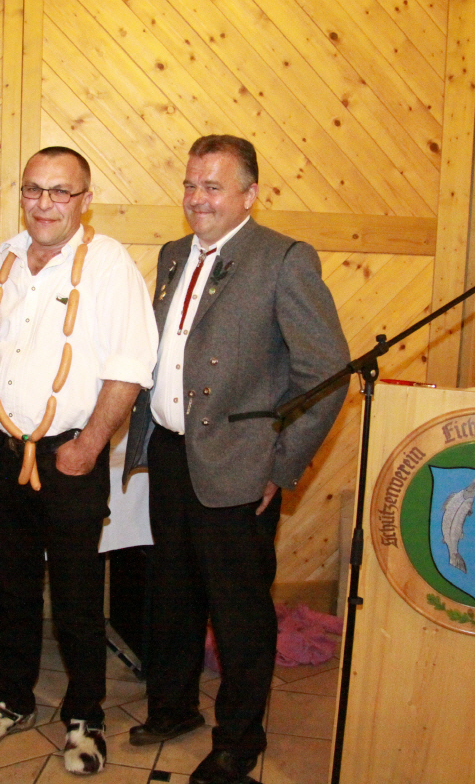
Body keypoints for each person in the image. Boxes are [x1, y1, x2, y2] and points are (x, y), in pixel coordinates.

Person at [122, 135, 350, 784]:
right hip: (172, 453)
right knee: (172, 593)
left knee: (239, 611)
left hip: (241, 464)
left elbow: (326, 371)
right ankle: (172, 708)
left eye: (213, 186)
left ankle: (239, 740)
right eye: (191, 184)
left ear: (250, 194)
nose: (197, 198)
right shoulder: (173, 254)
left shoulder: (284, 259)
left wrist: (281, 465)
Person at [0, 147, 158, 774]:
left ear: (85, 200)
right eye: (33, 189)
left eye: (61, 191)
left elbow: (130, 365)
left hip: (72, 458)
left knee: (76, 598)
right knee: (11, 589)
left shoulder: (110, 266)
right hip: (5, 456)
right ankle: (11, 698)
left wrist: (90, 444)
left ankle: (85, 716)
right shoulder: (6, 259)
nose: (45, 203)